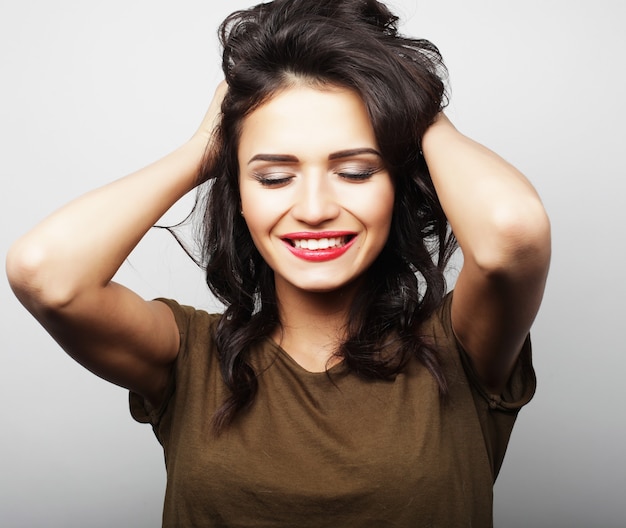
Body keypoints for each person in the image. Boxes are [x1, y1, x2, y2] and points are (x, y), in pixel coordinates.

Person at [6, 0, 551, 526]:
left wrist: (409, 103)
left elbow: (512, 233)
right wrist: (206, 144)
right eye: (273, 176)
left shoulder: (459, 349)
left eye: (357, 172)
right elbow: (45, 274)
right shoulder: (189, 357)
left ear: (395, 188)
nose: (314, 209)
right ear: (238, 194)